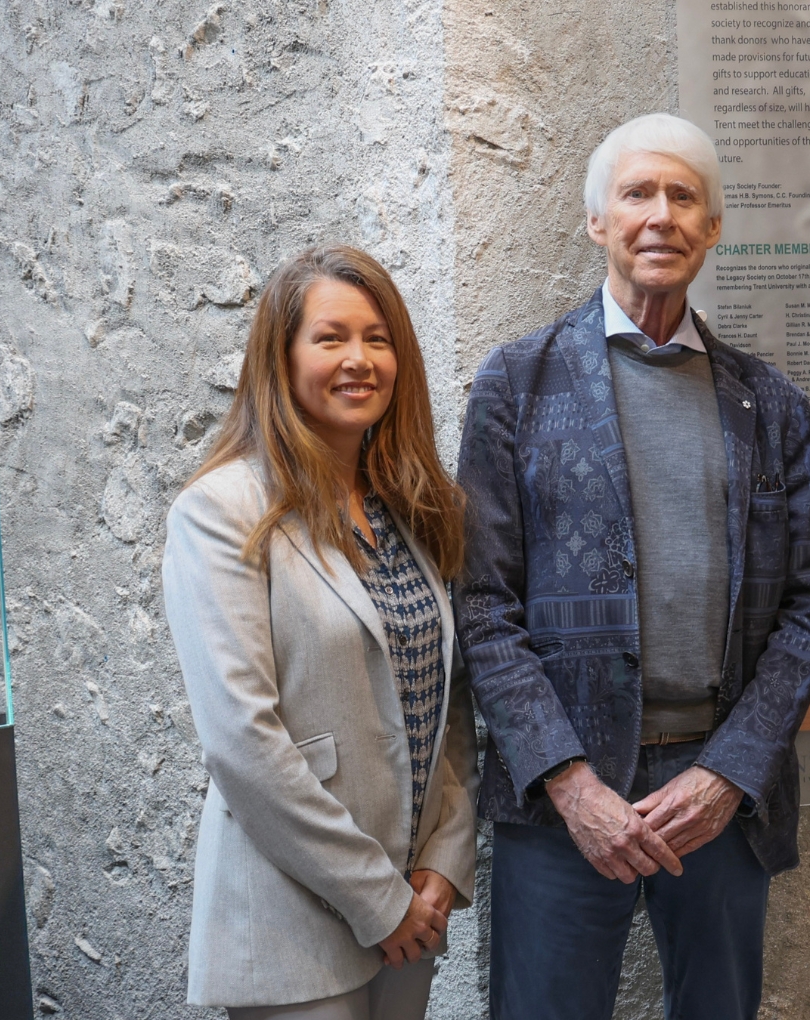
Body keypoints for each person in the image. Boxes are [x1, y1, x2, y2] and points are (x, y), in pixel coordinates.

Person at [456, 112, 810, 1020]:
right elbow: (482, 605)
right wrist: (569, 780)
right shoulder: (516, 385)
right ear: (599, 223)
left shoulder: (771, 405)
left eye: (683, 197)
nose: (660, 215)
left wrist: (729, 772)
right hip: (563, 797)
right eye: (637, 194)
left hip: (717, 794)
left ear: (711, 229)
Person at [163, 245, 477, 1019]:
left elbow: (451, 705)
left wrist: (445, 860)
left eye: (378, 338)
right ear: (282, 355)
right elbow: (242, 740)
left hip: (413, 909)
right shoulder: (221, 510)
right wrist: (379, 901)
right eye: (330, 337)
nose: (359, 359)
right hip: (292, 919)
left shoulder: (413, 506)